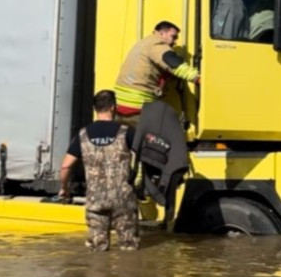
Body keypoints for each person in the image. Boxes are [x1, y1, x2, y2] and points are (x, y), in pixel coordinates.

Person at [56, 90, 140, 251]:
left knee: (97, 251)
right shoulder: (126, 132)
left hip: (96, 200)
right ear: (113, 108)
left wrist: (64, 188)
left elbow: (66, 165)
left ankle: (97, 274)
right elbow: (144, 155)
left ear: (95, 109)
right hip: (123, 199)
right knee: (130, 249)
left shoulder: (83, 135)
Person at [114, 21, 200, 124]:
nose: (175, 42)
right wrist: (197, 78)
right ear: (161, 34)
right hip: (137, 104)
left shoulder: (144, 42)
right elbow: (174, 64)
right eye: (173, 37)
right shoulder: (157, 44)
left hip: (120, 102)